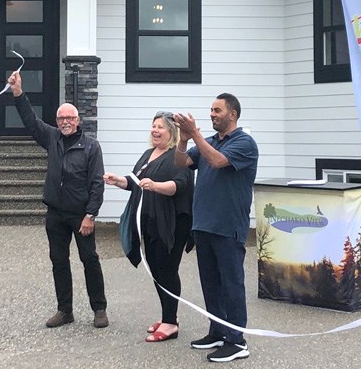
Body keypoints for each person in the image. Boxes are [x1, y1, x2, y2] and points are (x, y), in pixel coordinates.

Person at [7, 70, 109, 329]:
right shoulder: (51, 138)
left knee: (90, 260)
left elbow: (97, 183)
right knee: (59, 262)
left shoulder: (90, 146)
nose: (65, 121)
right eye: (61, 117)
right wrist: (18, 93)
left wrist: (90, 215)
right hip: (55, 213)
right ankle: (65, 310)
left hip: (80, 215)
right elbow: (31, 122)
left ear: (78, 120)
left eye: (69, 118)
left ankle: (99, 308)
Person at [174, 94, 258, 363]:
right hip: (204, 225)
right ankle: (218, 331)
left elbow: (218, 161)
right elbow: (181, 163)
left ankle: (237, 341)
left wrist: (195, 133)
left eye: (217, 110)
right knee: (211, 284)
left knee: (231, 284)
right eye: (210, 109)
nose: (212, 114)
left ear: (232, 114)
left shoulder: (244, 143)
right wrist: (184, 138)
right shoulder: (207, 142)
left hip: (228, 226)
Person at [103, 111, 193, 343]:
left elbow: (179, 186)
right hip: (150, 223)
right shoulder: (148, 154)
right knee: (155, 269)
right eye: (153, 126)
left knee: (167, 270)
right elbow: (134, 182)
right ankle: (167, 317)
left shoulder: (178, 156)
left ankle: (171, 323)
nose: (154, 130)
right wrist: (118, 180)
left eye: (160, 127)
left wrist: (156, 185)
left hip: (173, 223)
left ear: (171, 132)